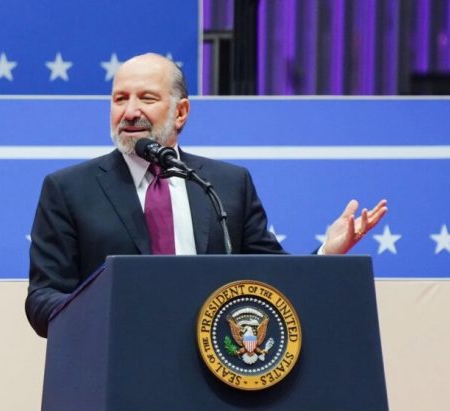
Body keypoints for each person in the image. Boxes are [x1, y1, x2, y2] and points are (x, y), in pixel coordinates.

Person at [25, 53, 387, 337]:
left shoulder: (226, 185)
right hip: (111, 374)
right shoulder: (69, 189)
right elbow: (42, 301)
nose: (130, 111)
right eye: (120, 98)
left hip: (213, 378)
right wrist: (109, 313)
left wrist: (327, 254)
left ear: (181, 112)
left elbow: (274, 281)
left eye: (146, 98)